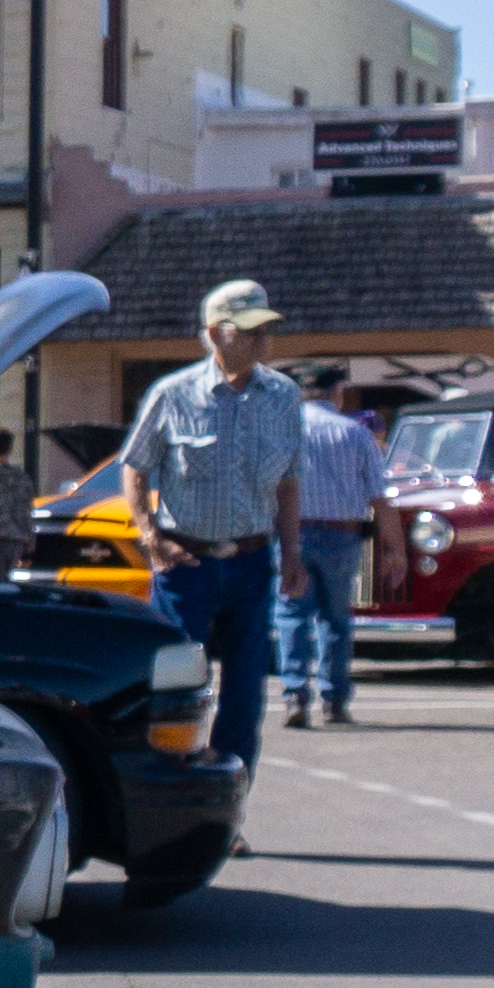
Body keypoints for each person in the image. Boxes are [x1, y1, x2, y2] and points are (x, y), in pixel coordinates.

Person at [114, 280, 305, 770]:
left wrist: (292, 557)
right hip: (186, 563)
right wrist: (151, 537)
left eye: (268, 330)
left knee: (245, 692)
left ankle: (231, 802)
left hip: (251, 561)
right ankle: (174, 793)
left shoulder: (283, 396)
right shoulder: (174, 394)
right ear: (218, 334)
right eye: (252, 331)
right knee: (178, 686)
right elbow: (135, 466)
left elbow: (287, 483)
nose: (265, 341)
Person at [276, 384, 392, 728]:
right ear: (336, 393)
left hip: (292, 532)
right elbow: (379, 495)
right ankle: (335, 700)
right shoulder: (356, 432)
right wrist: (396, 547)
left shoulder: (282, 430)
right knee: (336, 618)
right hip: (342, 534)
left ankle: (294, 694)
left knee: (291, 614)